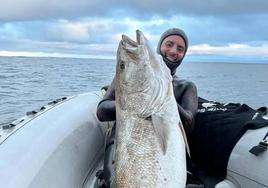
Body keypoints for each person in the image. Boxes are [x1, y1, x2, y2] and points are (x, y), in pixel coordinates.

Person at [97, 28, 198, 134]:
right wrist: (135, 102)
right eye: (169, 44)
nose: (173, 51)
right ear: (159, 46)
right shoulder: (130, 74)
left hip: (165, 145)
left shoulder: (186, 86)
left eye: (180, 49)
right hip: (125, 141)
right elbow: (101, 111)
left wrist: (162, 99)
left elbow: (189, 124)